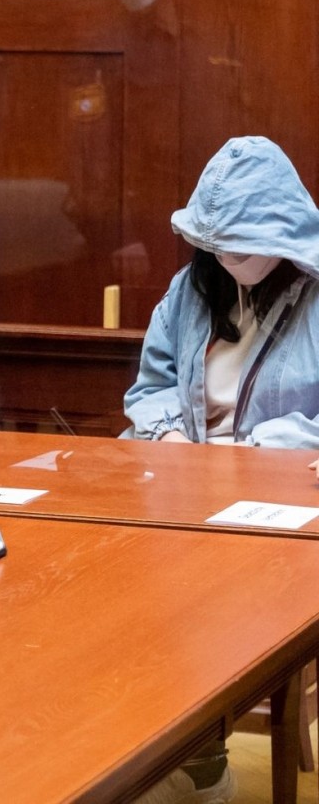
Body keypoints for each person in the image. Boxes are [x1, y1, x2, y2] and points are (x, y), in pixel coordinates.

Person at [124, 135, 319, 804]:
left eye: (249, 239)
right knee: (128, 606)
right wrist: (169, 433)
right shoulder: (189, 290)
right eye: (221, 242)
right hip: (185, 491)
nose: (234, 255)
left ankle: (203, 755)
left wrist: (266, 448)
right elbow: (150, 384)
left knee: (213, 613)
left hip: (283, 505)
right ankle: (171, 751)